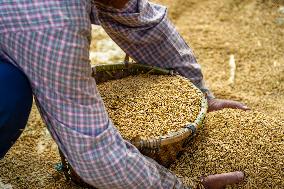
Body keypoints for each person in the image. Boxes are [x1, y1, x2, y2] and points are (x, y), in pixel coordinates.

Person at [0, 0, 250, 188]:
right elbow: (94, 153)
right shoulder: (53, 21)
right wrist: (182, 186)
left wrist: (201, 95)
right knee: (10, 92)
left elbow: (138, 18)